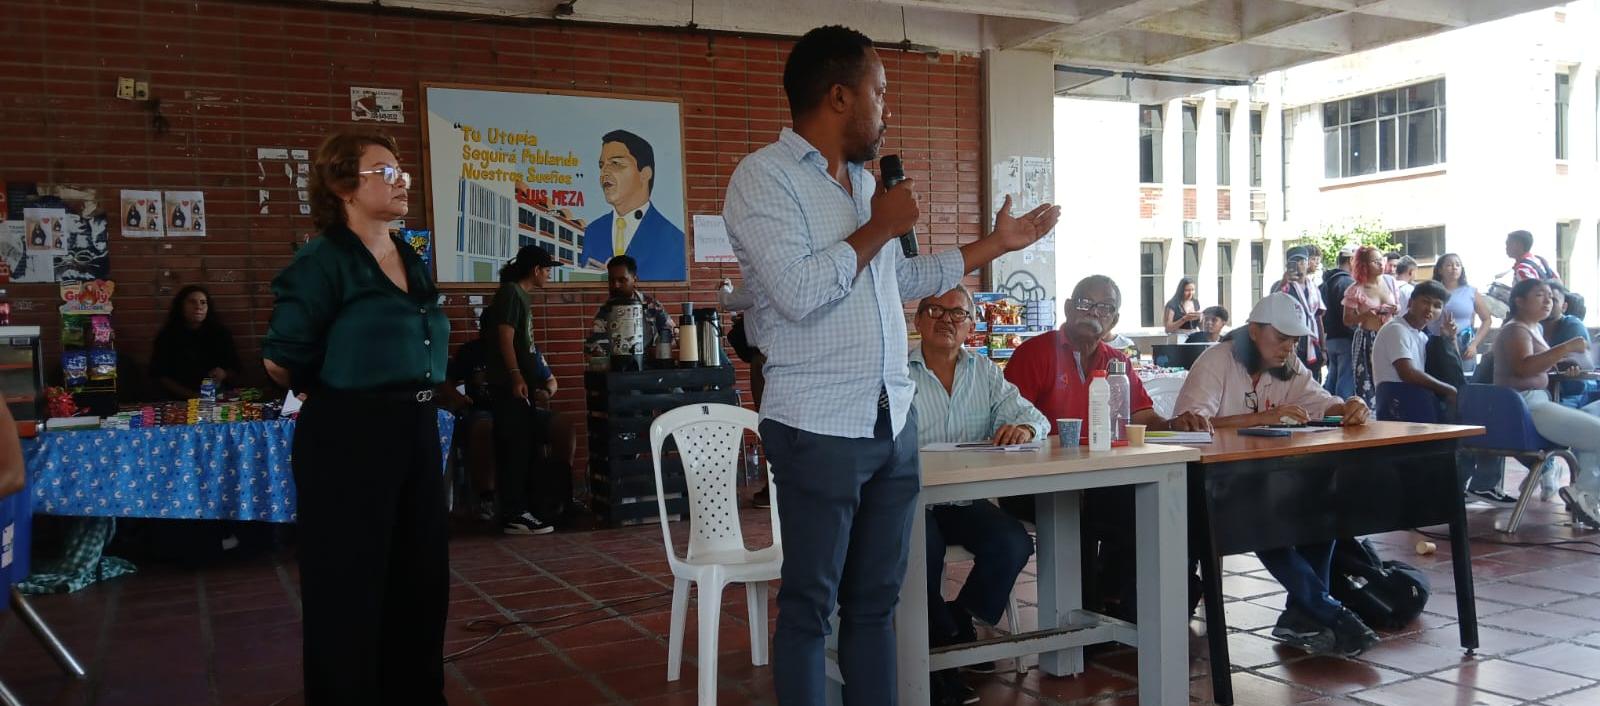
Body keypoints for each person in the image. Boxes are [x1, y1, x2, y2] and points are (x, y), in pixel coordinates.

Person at [721, 25, 1061, 706]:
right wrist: (877, 224)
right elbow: (797, 293)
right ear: (840, 95)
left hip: (890, 420)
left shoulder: (858, 184)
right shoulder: (764, 178)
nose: (888, 107)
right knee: (813, 607)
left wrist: (994, 242)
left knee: (877, 602)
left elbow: (901, 278)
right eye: (880, 91)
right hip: (818, 423)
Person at [262, 131, 451, 705]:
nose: (401, 183)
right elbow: (280, 359)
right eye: (384, 172)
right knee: (349, 585)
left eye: (402, 174)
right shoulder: (323, 260)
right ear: (344, 185)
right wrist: (342, 388)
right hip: (349, 436)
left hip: (415, 429)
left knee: (420, 580)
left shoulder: (408, 253)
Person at [1172, 292, 1378, 656]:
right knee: (1265, 521)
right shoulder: (1217, 361)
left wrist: (1349, 405)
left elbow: (1319, 399)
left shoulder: (1288, 365)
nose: (1288, 346)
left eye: (1294, 339)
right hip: (1209, 484)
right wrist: (1259, 418)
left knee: (1323, 511)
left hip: (1265, 479)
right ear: (1253, 331)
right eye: (1281, 338)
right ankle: (1327, 611)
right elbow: (1189, 425)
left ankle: (1302, 616)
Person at [1004, 275, 1209, 618]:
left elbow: (1143, 416)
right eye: (1085, 303)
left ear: (1114, 320)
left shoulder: (1117, 361)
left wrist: (1175, 423)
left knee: (1163, 503)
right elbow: (1011, 420)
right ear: (1069, 308)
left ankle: (1134, 599)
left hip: (1100, 478)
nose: (1093, 312)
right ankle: (1084, 616)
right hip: (1035, 481)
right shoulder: (1036, 353)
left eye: (1105, 307)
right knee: (1092, 509)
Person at [908, 286, 1045, 704]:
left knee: (1012, 542)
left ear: (970, 326)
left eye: (958, 314)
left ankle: (958, 621)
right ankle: (932, 665)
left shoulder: (984, 372)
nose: (946, 320)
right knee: (922, 550)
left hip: (966, 498)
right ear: (918, 319)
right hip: (913, 500)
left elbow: (1032, 417)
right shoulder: (895, 370)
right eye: (936, 310)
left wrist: (1023, 429)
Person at [1491, 278, 1600, 527]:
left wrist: (1563, 365)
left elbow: (1539, 367)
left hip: (1537, 402)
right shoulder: (1516, 329)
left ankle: (1586, 494)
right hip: (1526, 408)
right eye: (1540, 295)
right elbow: (1523, 367)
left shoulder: (1534, 328)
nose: (1548, 301)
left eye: (1551, 296)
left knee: (1594, 420)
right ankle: (1584, 493)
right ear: (1519, 301)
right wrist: (1564, 348)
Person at [483, 245, 576, 535]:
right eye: (547, 270)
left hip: (521, 384)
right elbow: (505, 338)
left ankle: (523, 508)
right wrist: (515, 376)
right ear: (535, 270)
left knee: (525, 446)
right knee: (515, 447)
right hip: (510, 386)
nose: (549, 275)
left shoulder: (521, 295)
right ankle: (513, 512)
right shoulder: (511, 293)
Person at [578, 130, 686, 281]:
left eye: (615, 163)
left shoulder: (674, 240)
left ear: (645, 173)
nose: (604, 172)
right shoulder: (593, 231)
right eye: (601, 165)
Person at [1371, 280, 1457, 408]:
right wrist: (1449, 390)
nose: (1430, 309)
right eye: (1426, 302)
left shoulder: (1422, 337)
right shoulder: (1396, 329)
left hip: (1414, 403)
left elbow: (1454, 368)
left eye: (1437, 306)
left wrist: (1451, 338)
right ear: (1411, 302)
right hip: (1396, 406)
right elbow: (1408, 373)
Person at [150, 284, 241, 399]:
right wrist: (192, 395)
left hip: (216, 397)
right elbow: (160, 375)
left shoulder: (220, 333)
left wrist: (224, 374)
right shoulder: (167, 336)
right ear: (181, 306)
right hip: (178, 399)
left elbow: (236, 367)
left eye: (203, 302)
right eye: (192, 302)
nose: (198, 307)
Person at [1343, 246, 1400, 407]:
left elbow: (1398, 308)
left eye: (1381, 260)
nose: (1381, 264)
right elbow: (1347, 320)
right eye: (1375, 262)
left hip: (1389, 336)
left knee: (1391, 377)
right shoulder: (1355, 289)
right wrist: (1366, 315)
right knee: (1367, 383)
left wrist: (1394, 309)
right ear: (1364, 265)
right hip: (1367, 338)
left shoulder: (1390, 282)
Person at [586, 255, 675, 356]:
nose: (616, 285)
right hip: (617, 368)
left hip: (650, 367)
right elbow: (593, 345)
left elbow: (672, 334)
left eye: (622, 280)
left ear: (635, 280)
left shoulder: (652, 306)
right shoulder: (605, 311)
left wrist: (660, 349)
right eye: (612, 280)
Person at [1428, 253, 1494, 372]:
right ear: (1439, 270)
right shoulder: (1431, 292)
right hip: (1437, 342)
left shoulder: (1471, 292)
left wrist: (1474, 344)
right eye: (1449, 265)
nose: (1454, 267)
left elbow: (1487, 319)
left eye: (1458, 265)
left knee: (1464, 382)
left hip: (1464, 345)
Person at [1278, 248, 1324, 380]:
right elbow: (1273, 303)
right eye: (1294, 262)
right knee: (1293, 378)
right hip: (1292, 340)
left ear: (1307, 263)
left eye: (1302, 261)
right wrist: (1283, 282)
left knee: (1313, 380)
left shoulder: (1314, 288)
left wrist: (1323, 347)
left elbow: (1318, 317)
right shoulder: (1284, 286)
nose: (1299, 265)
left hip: (1312, 341)